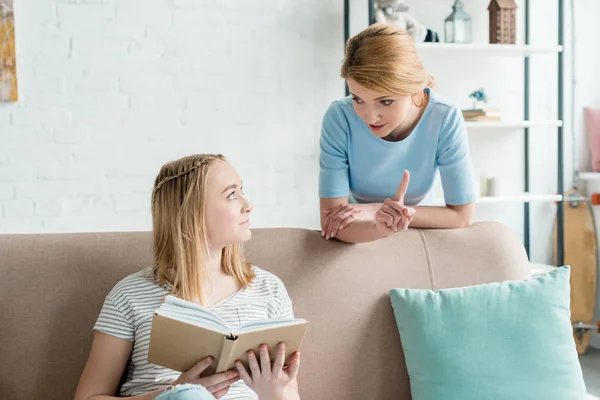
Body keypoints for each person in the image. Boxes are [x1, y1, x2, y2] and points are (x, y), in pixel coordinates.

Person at [74, 154, 301, 400]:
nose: (248, 204)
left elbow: (291, 395)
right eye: (231, 195)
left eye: (242, 191)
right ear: (191, 211)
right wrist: (173, 392)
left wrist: (273, 392)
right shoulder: (129, 295)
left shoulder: (269, 289)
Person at [319, 23, 476, 243]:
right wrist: (379, 227)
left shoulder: (444, 117)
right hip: (358, 234)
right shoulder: (339, 117)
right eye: (358, 99)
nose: (370, 117)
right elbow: (331, 220)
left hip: (420, 234)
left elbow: (462, 215)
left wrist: (377, 210)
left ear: (414, 88)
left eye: (385, 101)